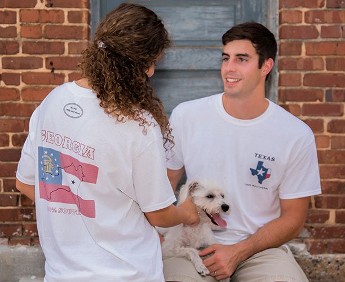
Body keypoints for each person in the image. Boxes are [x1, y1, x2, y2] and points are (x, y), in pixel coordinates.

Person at [15, 3, 199, 282]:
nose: (151, 73)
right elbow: (159, 215)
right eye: (152, 62)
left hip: (61, 275)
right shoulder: (138, 125)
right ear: (137, 64)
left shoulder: (52, 102)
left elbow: (26, 183)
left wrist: (80, 215)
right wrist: (186, 213)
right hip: (128, 274)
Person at [163, 22, 321, 282]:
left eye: (242, 59)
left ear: (266, 66)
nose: (229, 68)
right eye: (226, 58)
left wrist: (239, 251)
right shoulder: (187, 115)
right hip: (190, 243)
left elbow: (294, 218)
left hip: (259, 248)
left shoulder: (295, 134)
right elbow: (164, 183)